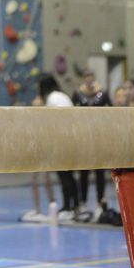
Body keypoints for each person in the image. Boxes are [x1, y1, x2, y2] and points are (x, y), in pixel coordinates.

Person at [72, 69, 112, 220]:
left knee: (99, 172)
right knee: (84, 172)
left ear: (94, 77)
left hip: (99, 135)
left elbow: (112, 110)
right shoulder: (78, 93)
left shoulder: (102, 92)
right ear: (84, 78)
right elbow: (70, 112)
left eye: (91, 76)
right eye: (86, 76)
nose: (89, 79)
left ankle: (100, 202)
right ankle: (83, 203)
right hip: (84, 136)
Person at [38, 73, 79, 218]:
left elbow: (50, 122)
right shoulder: (63, 96)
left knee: (64, 176)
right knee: (69, 175)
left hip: (62, 140)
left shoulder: (52, 98)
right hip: (72, 137)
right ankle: (75, 205)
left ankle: (68, 206)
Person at [21, 94, 57, 222]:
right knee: (34, 180)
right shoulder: (31, 120)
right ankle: (37, 210)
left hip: (45, 151)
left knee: (47, 181)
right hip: (35, 151)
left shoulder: (46, 120)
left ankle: (52, 207)